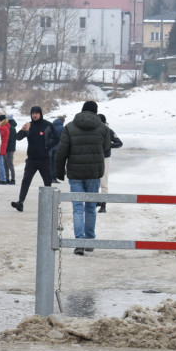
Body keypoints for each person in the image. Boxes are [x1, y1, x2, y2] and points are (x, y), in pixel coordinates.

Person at [55, 101, 111, 254]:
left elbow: (61, 151)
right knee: (91, 207)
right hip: (94, 172)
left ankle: (79, 242)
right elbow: (106, 148)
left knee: (78, 207)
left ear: (82, 111)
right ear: (95, 112)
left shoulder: (70, 127)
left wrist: (59, 171)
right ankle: (90, 240)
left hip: (75, 173)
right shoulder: (103, 128)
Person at [10, 106, 54, 212]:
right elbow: (18, 137)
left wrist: (47, 147)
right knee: (26, 181)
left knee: (47, 182)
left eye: (36, 113)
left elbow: (56, 138)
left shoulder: (47, 125)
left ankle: (50, 204)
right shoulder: (29, 125)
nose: (34, 115)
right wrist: (23, 130)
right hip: (32, 160)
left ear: (40, 114)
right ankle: (20, 202)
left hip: (44, 159)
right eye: (33, 113)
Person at [97, 113, 123, 213]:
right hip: (94, 159)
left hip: (105, 159)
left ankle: (103, 204)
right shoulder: (94, 131)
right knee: (95, 182)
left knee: (103, 182)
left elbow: (119, 143)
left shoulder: (109, 131)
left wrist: (108, 145)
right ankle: (97, 201)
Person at [48, 115, 65, 182]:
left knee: (50, 163)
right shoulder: (62, 128)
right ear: (62, 121)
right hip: (57, 147)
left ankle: (49, 177)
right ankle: (53, 178)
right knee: (55, 164)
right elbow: (63, 139)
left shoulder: (51, 126)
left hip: (50, 147)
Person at [0, 113, 10, 184]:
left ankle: (2, 179)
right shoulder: (4, 127)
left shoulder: (3, 128)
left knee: (0, 164)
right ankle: (2, 178)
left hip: (0, 148)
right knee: (0, 163)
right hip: (1, 147)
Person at [4, 115, 18, 183]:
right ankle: (7, 178)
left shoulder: (11, 128)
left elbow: (11, 139)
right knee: (5, 164)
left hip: (9, 149)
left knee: (10, 164)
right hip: (6, 148)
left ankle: (12, 179)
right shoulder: (9, 127)